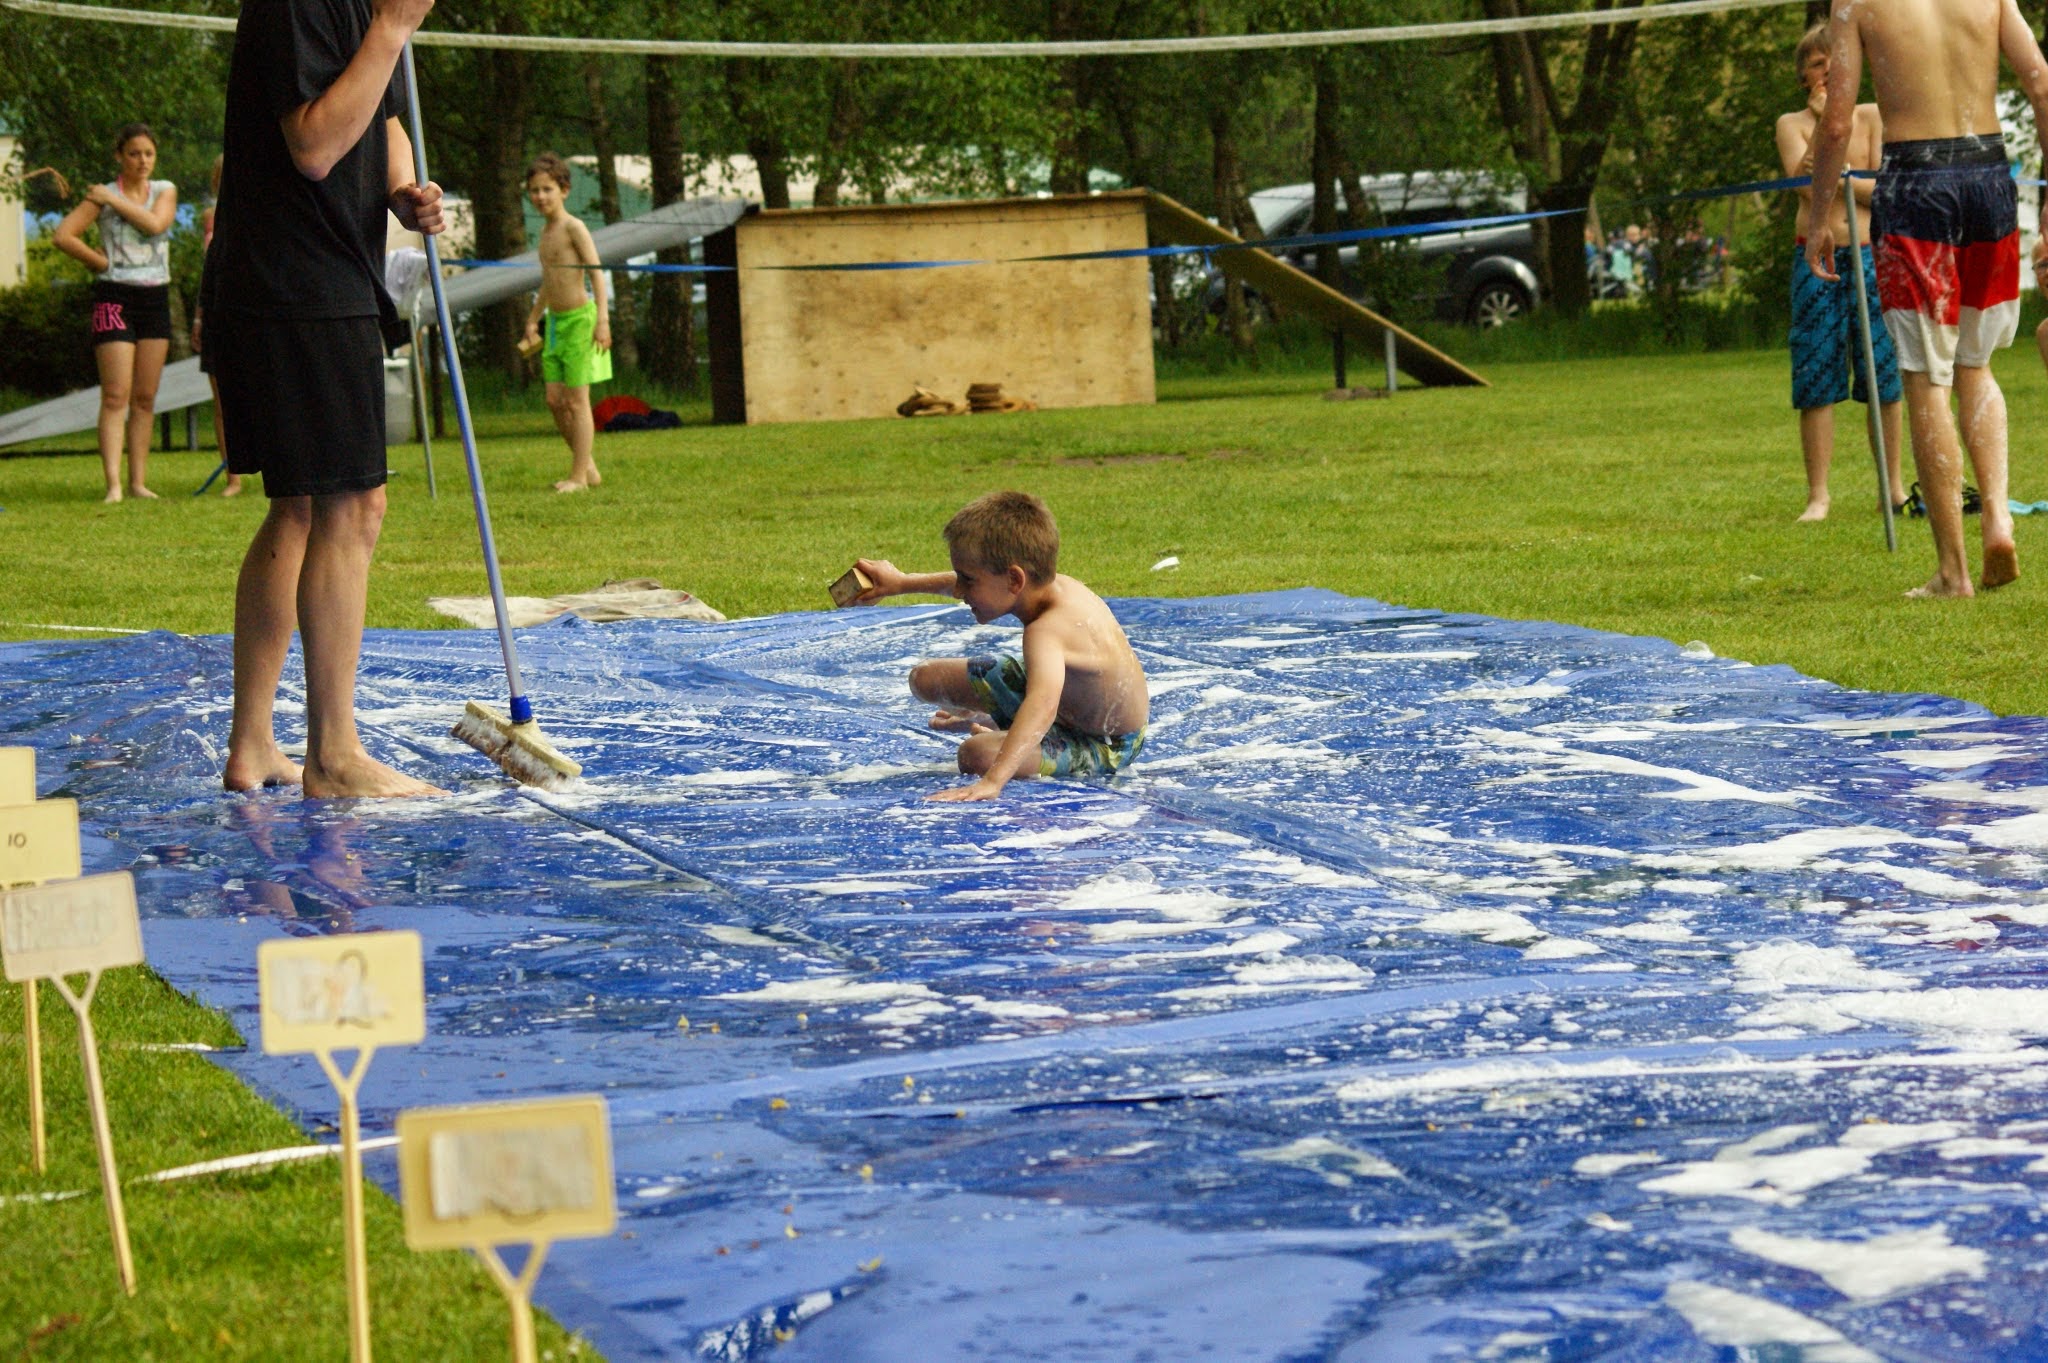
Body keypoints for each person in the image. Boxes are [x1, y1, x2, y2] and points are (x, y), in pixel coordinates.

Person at [204, 0, 447, 797]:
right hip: (295, 282)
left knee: (301, 506)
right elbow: (312, 144)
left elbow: (382, 123)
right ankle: (333, 755)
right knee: (352, 505)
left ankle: (252, 745)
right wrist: (391, 30)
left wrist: (407, 190)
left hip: (311, 275)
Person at [1805, 0, 2048, 597]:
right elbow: (2040, 81)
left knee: (1924, 378)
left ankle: (1953, 571)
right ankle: (1995, 515)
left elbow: (1836, 124)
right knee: (1977, 365)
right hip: (1990, 177)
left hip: (1916, 184)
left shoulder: (1856, 4)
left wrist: (1818, 218)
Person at [848, 490, 1150, 802]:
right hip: (1067, 707)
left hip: (1103, 741)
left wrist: (992, 781)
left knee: (975, 755)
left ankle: (1010, 732)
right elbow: (980, 579)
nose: (960, 590)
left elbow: (1043, 703)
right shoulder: (1042, 584)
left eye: (967, 580)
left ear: (1014, 580)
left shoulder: (1047, 630)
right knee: (925, 679)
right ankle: (1009, 728)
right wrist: (901, 583)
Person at [1775, 21, 1904, 523]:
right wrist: (1825, 134)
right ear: (1805, 77)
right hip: (1815, 255)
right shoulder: (1792, 124)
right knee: (1815, 368)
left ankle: (1891, 487)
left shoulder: (1872, 117)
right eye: (1816, 63)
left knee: (1884, 371)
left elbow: (1881, 191)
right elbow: (1804, 186)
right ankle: (1819, 494)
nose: (1827, 70)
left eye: (1835, 61)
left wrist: (1842, 170)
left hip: (1872, 254)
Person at [52, 123, 176, 503]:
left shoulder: (164, 190)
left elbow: (156, 224)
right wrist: (98, 262)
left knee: (145, 396)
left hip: (155, 296)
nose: (142, 161)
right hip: (115, 297)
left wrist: (111, 198)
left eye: (148, 154)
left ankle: (138, 481)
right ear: (119, 156)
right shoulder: (101, 197)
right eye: (134, 153)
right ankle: (114, 485)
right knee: (115, 394)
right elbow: (63, 235)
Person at [519, 152, 613, 493]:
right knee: (554, 400)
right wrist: (533, 320)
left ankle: (577, 478)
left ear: (564, 190)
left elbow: (597, 273)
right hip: (556, 323)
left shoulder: (574, 227)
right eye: (534, 190)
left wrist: (602, 320)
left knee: (577, 400)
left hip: (580, 321)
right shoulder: (544, 233)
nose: (540, 197)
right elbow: (548, 281)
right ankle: (586, 466)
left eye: (547, 189)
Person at [191, 153, 244, 498]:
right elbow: (208, 271)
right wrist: (198, 316)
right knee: (223, 400)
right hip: (217, 312)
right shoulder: (212, 219)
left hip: (253, 312)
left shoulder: (267, 212)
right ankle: (233, 478)